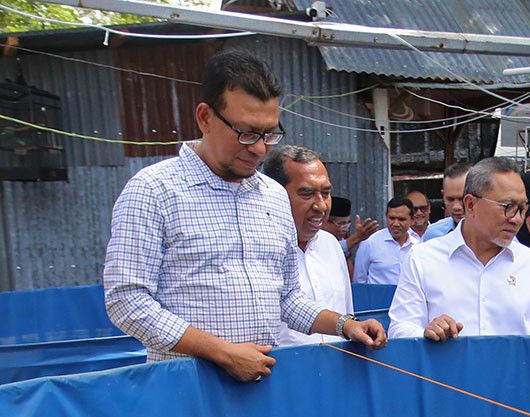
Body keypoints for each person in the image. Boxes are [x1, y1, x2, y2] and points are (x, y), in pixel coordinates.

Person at [103, 51, 385, 383]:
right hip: (186, 390)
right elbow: (127, 301)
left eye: (269, 134)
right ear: (205, 118)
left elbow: (287, 298)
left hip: (262, 388)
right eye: (247, 133)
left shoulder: (273, 196)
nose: (260, 149)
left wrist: (345, 324)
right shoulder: (153, 191)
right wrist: (222, 353)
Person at [387, 157, 530, 341]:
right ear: (471, 205)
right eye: (508, 207)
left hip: (512, 377)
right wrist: (426, 332)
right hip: (445, 376)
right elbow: (400, 328)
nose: (517, 219)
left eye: (522, 209)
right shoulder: (423, 259)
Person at [261, 146, 354, 346]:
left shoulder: (331, 245)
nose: (321, 205)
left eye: (326, 193)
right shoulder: (257, 250)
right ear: (274, 194)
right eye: (306, 193)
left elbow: (347, 311)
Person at [353, 197, 417, 285]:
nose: (396, 224)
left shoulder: (418, 247)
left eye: (401, 219)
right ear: (386, 216)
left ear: (412, 220)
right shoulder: (370, 243)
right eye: (392, 218)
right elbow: (359, 281)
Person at [322, 196, 379, 265]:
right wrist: (357, 237)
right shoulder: (316, 238)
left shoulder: (342, 238)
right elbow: (328, 252)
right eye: (341, 224)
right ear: (325, 222)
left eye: (347, 223)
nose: (346, 228)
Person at [422, 162, 470, 241]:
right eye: (450, 199)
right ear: (443, 195)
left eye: (462, 199)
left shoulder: (490, 232)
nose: (456, 207)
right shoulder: (433, 235)